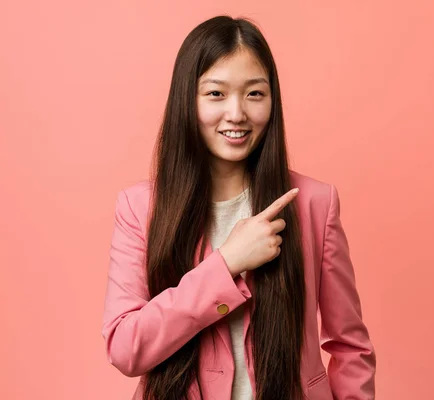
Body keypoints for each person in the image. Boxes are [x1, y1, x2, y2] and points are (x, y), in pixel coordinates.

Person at [101, 15, 376, 400]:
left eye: (254, 94)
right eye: (216, 94)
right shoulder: (140, 207)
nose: (236, 114)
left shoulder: (315, 202)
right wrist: (226, 263)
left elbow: (350, 346)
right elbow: (126, 348)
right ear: (187, 99)